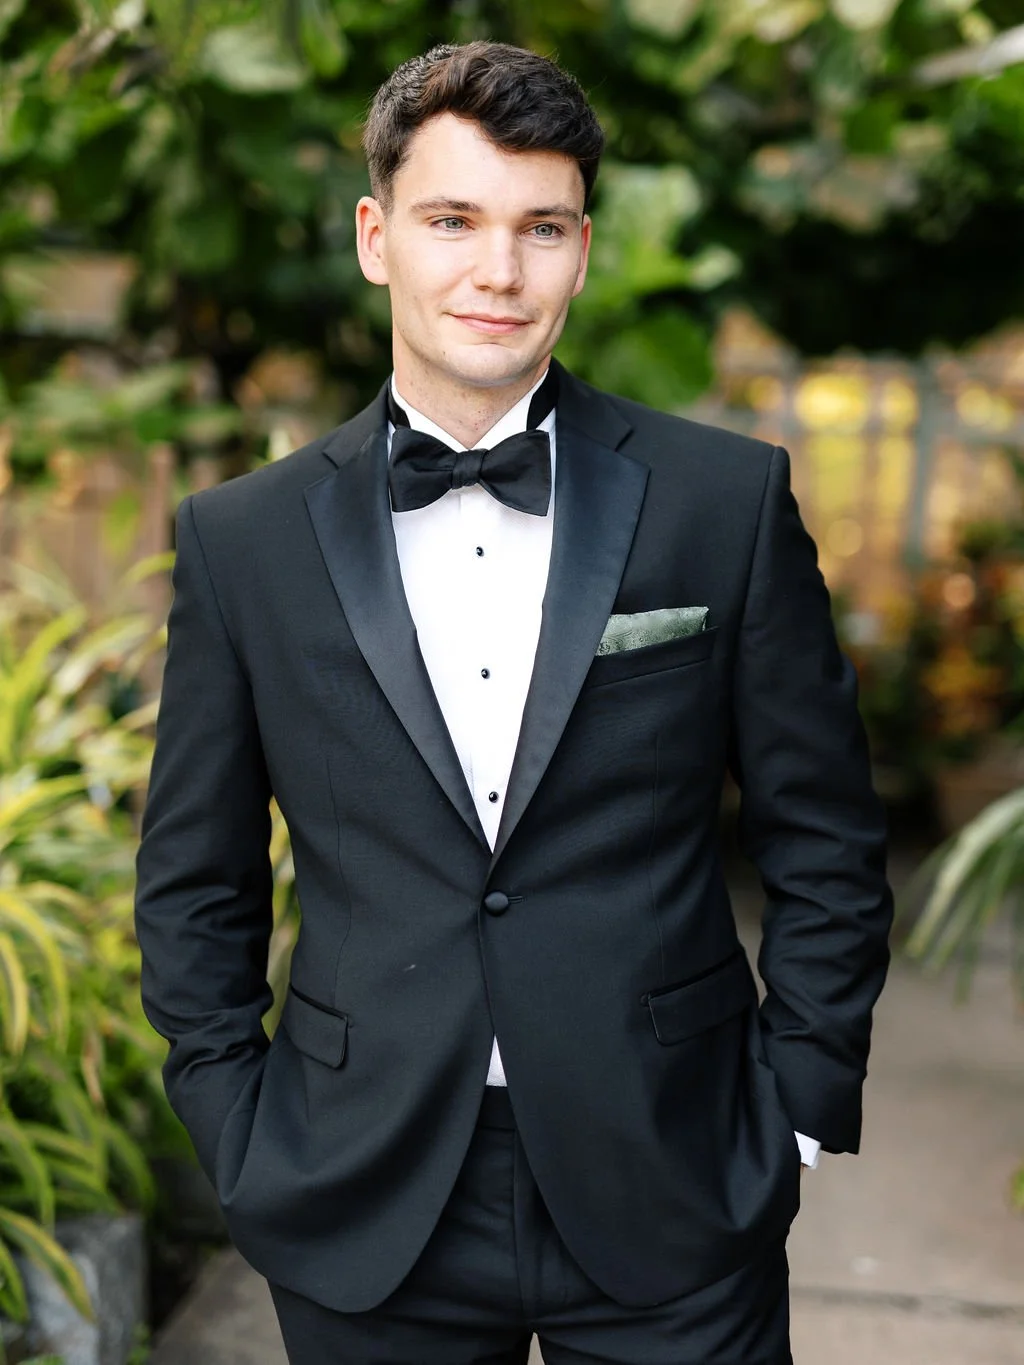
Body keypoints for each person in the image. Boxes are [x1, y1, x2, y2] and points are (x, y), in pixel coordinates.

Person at [134, 40, 892, 1365]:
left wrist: (803, 1103)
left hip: (677, 1177)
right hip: (362, 1192)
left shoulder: (723, 503)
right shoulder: (240, 540)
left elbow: (824, 831)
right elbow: (193, 880)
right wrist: (237, 1128)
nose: (499, 272)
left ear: (582, 250)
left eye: (540, 228)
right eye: (453, 221)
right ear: (377, 237)